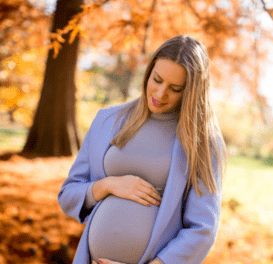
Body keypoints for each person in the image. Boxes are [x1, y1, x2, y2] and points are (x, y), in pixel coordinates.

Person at [58, 35, 226, 264]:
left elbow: (203, 229)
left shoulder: (203, 143)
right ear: (148, 73)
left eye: (175, 88)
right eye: (156, 80)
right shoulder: (106, 121)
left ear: (191, 92)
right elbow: (68, 195)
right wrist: (109, 185)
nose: (160, 94)